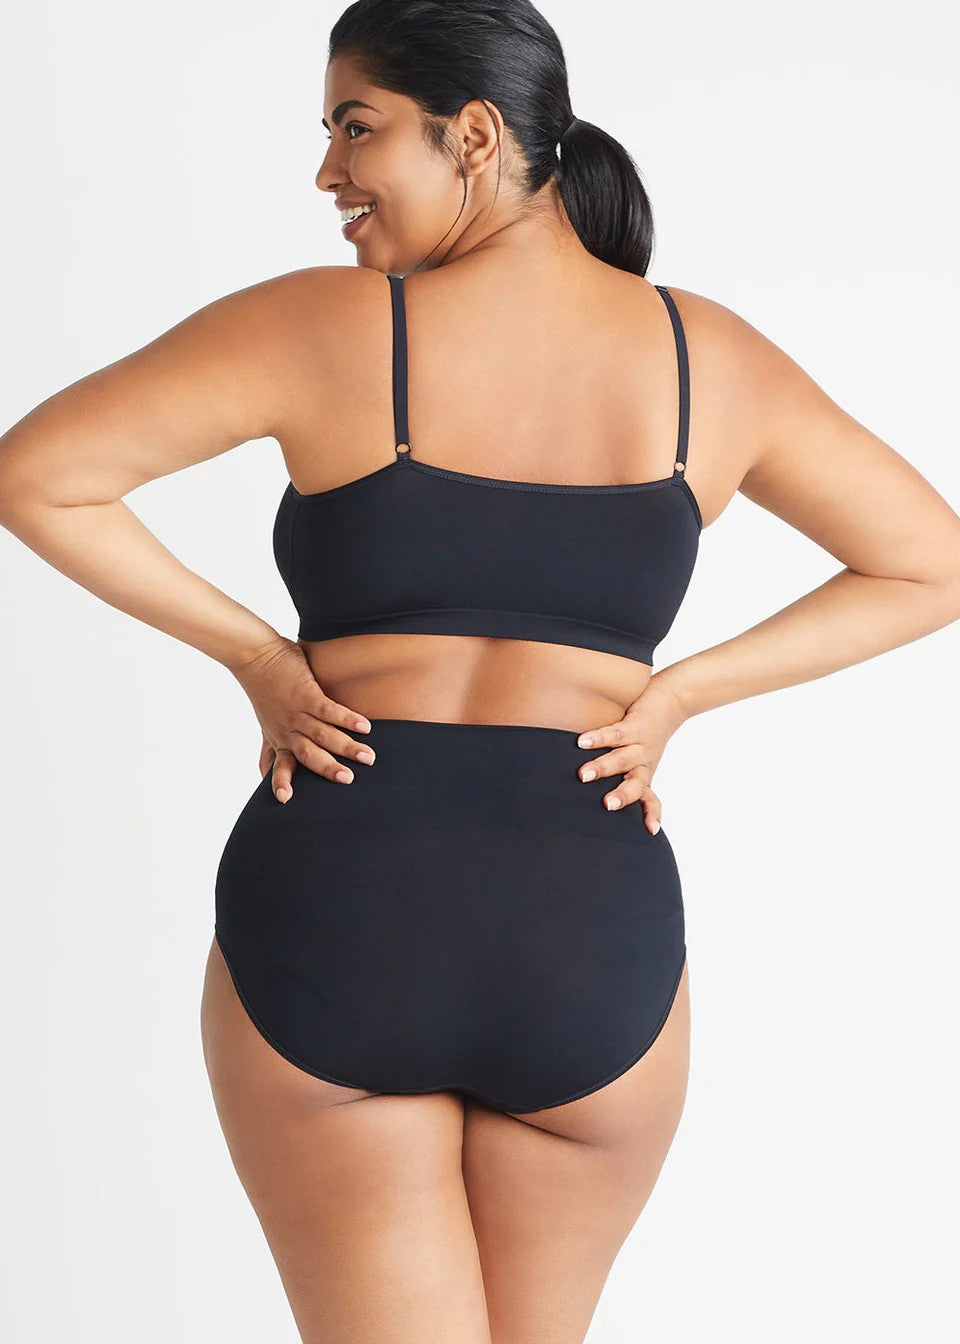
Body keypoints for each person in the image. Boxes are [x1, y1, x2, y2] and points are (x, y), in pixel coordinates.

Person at [1, 2, 958, 1341]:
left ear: (474, 135)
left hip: (341, 914)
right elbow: (931, 563)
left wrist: (262, 659)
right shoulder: (708, 359)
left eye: (356, 127)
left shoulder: (325, 324)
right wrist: (676, 694)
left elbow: (37, 477)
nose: (327, 172)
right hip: (588, 937)